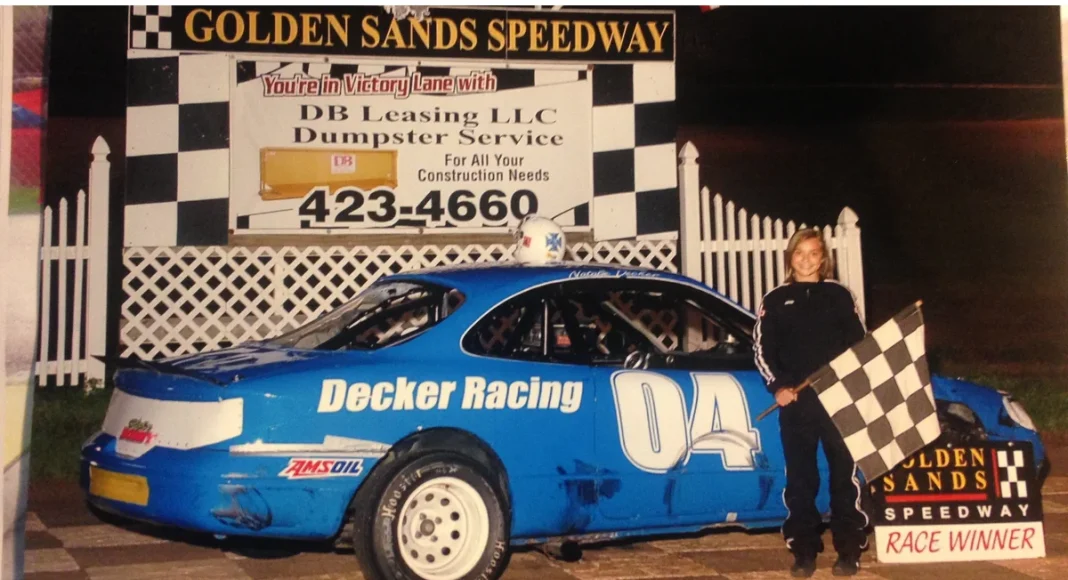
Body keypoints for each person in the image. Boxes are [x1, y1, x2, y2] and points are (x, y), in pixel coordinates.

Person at [753, 227, 870, 578]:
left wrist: (849, 379)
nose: (806, 259)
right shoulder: (775, 299)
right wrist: (778, 387)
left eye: (813, 253)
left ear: (824, 258)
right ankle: (804, 550)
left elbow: (860, 345)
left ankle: (849, 549)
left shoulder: (838, 295)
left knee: (843, 478)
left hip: (838, 401)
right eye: (799, 253)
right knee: (801, 478)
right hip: (797, 403)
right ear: (790, 258)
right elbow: (762, 349)